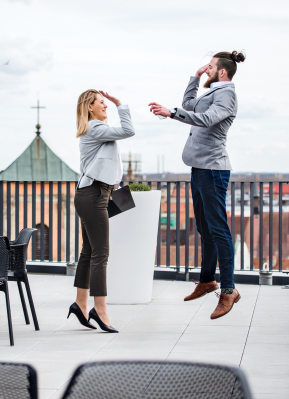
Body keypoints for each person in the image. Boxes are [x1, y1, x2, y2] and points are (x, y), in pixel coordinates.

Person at [149, 51, 245, 319]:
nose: (208, 69)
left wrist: (171, 114)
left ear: (222, 72)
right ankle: (207, 280)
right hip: (200, 168)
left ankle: (228, 290)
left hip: (214, 170)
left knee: (219, 229)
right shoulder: (212, 92)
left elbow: (203, 119)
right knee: (205, 227)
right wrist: (195, 76)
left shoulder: (227, 95)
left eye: (212, 66)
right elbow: (190, 105)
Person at [68, 89, 135, 333]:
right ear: (89, 107)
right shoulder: (95, 128)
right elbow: (128, 130)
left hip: (96, 193)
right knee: (101, 254)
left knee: (90, 252)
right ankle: (100, 309)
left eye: (107, 103)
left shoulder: (94, 130)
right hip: (94, 195)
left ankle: (80, 303)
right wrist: (120, 104)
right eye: (102, 103)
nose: (105, 106)